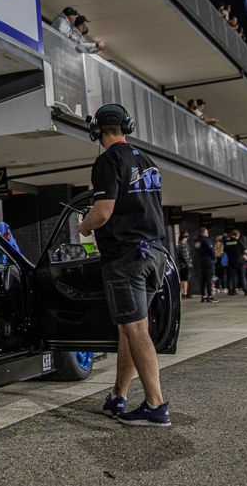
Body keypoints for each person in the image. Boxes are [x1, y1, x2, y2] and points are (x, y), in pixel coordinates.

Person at [76, 103, 171, 427]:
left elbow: (103, 212)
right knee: (129, 329)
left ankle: (156, 405)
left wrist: (84, 226)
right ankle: (118, 395)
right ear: (126, 126)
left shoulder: (108, 160)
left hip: (126, 258)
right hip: (153, 253)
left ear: (96, 131)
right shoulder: (146, 161)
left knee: (135, 330)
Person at [193, 228, 216, 303]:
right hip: (208, 262)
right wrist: (214, 258)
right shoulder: (206, 240)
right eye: (207, 232)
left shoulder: (197, 242)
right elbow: (211, 251)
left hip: (201, 262)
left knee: (203, 280)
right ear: (204, 233)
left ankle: (203, 296)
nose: (208, 234)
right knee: (209, 279)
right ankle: (210, 296)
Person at [223, 229, 247, 296]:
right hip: (240, 261)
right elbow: (245, 250)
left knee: (234, 276)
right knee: (242, 277)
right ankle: (245, 291)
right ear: (237, 235)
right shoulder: (239, 241)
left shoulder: (227, 242)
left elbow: (225, 252)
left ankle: (233, 291)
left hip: (231, 261)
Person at [175, 232, 191, 299]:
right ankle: (185, 292)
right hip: (184, 265)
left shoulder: (179, 245)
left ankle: (182, 292)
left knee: (182, 279)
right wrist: (188, 264)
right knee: (185, 279)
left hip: (180, 265)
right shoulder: (183, 246)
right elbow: (185, 256)